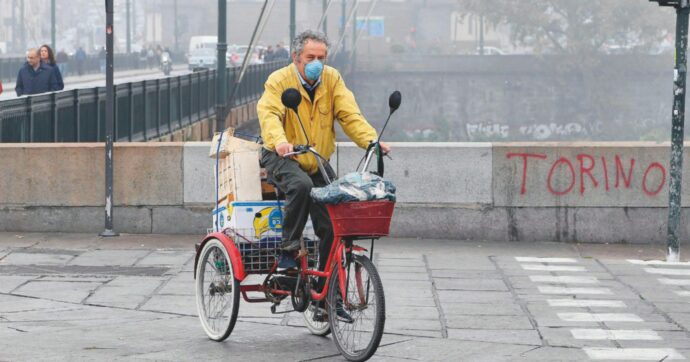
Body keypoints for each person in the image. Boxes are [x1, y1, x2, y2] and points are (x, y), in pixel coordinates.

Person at [257, 30, 391, 306]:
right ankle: (289, 247)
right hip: (282, 155)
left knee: (332, 219)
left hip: (315, 157)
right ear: (296, 58)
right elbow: (269, 114)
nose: (317, 62)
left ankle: (326, 292)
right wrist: (280, 141)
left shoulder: (332, 79)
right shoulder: (278, 81)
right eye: (310, 57)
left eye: (321, 57)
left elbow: (349, 114)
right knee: (301, 185)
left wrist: (371, 141)